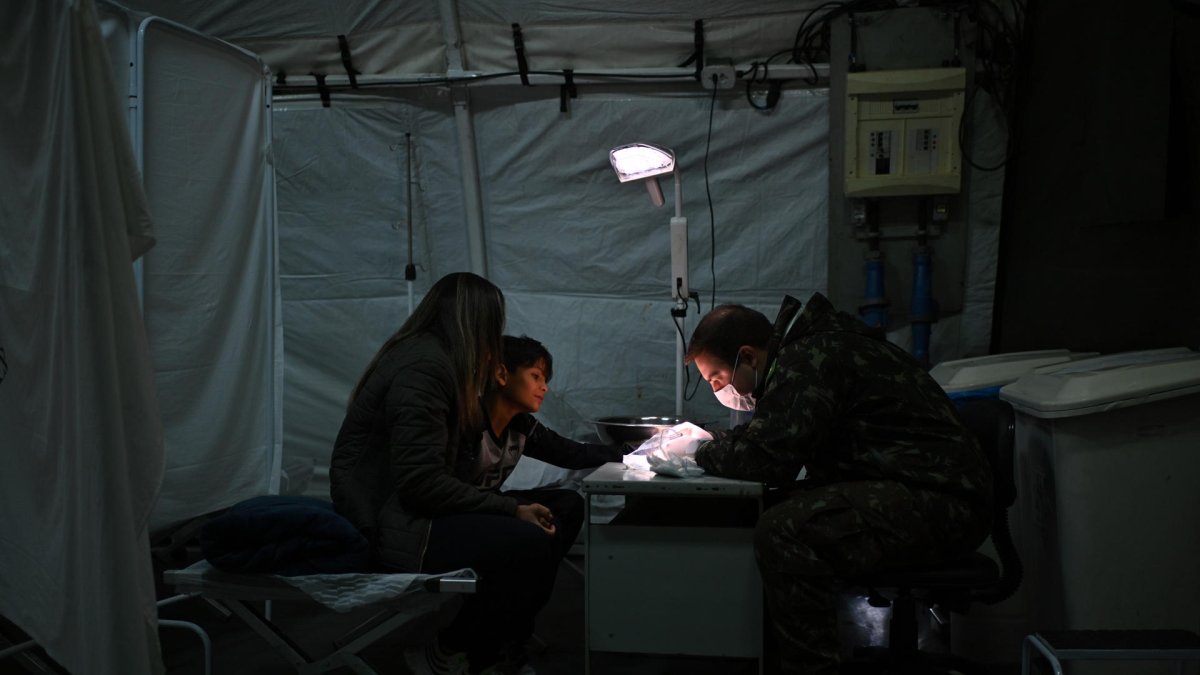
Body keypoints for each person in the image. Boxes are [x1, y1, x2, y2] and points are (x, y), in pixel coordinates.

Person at [682, 292, 993, 675]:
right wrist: (713, 441)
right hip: (926, 490)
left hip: (942, 503)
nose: (718, 391)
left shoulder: (810, 359)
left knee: (783, 532)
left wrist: (696, 450)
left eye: (718, 379)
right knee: (780, 506)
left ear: (747, 356)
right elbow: (773, 439)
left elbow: (766, 461)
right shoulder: (811, 349)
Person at [329, 273, 563, 675]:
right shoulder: (424, 369)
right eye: (494, 326)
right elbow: (420, 486)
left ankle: (499, 640)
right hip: (393, 524)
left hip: (411, 512)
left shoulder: (433, 361)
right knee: (528, 541)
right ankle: (462, 650)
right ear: (477, 323)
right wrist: (508, 510)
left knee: (563, 509)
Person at [474, 335, 623, 565]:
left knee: (570, 504)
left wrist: (630, 454)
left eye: (544, 380)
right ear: (502, 374)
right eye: (535, 376)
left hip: (491, 505)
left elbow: (568, 452)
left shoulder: (522, 425)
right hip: (461, 513)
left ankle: (532, 582)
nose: (544, 387)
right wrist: (513, 509)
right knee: (532, 532)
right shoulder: (471, 422)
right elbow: (445, 491)